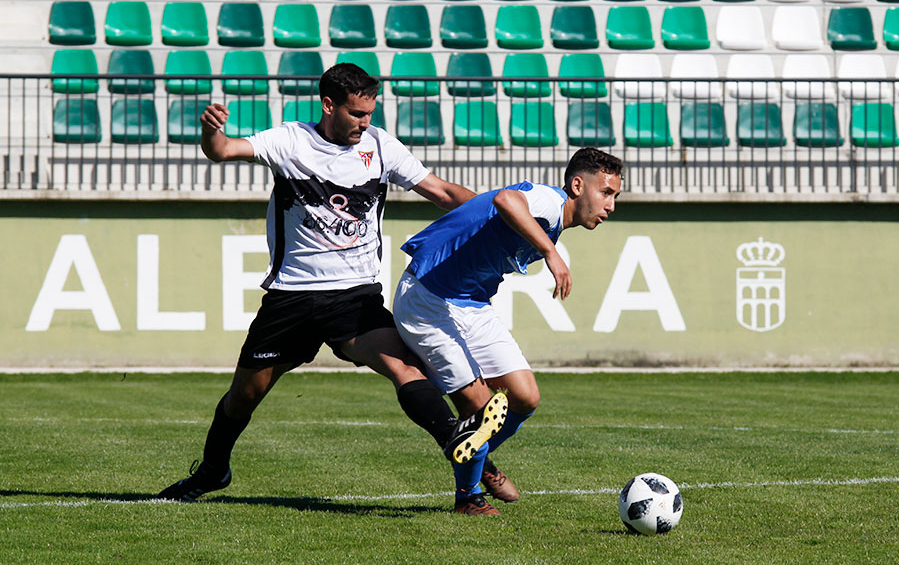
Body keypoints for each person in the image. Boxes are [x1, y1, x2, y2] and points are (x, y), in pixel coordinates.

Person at [157, 63, 508, 503]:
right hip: (292, 297)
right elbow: (223, 150)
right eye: (357, 113)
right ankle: (211, 472)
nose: (366, 122)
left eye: (370, 112)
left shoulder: (381, 146)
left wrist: (500, 214)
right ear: (328, 105)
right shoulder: (290, 141)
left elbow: (441, 192)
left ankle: (460, 446)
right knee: (243, 397)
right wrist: (210, 133)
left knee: (404, 368)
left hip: (355, 297)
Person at [393, 148, 623, 515]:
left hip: (472, 303)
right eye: (606, 192)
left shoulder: (554, 220)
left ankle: (478, 458)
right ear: (577, 185)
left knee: (525, 396)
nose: (611, 205)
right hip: (429, 298)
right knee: (479, 406)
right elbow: (504, 199)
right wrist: (550, 253)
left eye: (616, 196)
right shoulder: (549, 202)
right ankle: (468, 497)